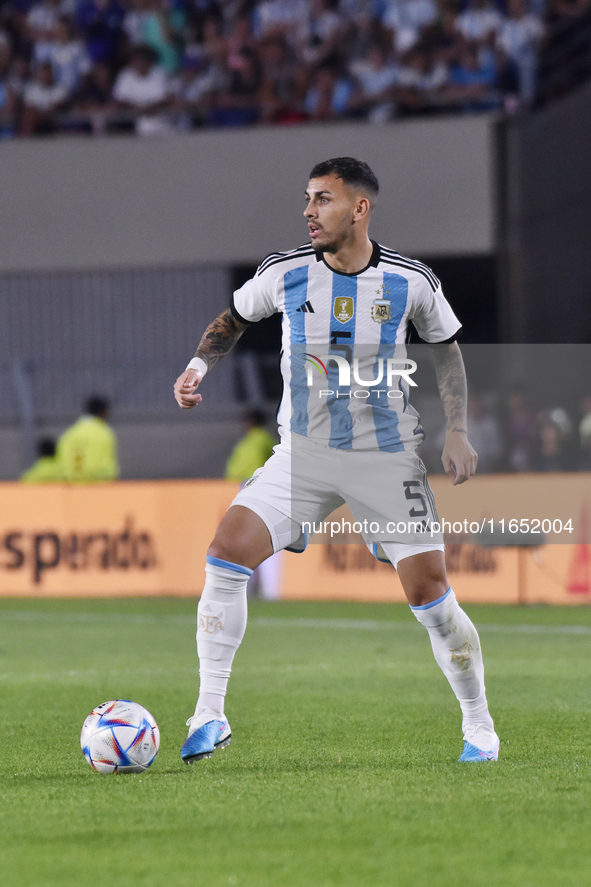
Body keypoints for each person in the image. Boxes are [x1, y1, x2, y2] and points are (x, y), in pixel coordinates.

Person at [173, 156, 499, 766]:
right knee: (225, 552)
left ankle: (479, 725)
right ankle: (209, 713)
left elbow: (446, 350)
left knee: (430, 596)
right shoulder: (284, 272)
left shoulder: (411, 281)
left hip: (386, 458)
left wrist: (457, 429)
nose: (308, 211)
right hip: (303, 455)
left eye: (323, 199)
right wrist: (196, 369)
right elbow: (233, 319)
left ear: (360, 207)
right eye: (307, 199)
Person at [225, 409, 280, 601]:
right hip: (249, 486)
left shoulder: (259, 439)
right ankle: (254, 588)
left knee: (251, 538)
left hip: (255, 486)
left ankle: (261, 588)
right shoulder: (259, 439)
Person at [57, 395, 119, 482]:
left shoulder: (69, 434)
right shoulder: (104, 433)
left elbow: (61, 465)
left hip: (72, 488)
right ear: (103, 412)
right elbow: (108, 467)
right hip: (98, 488)